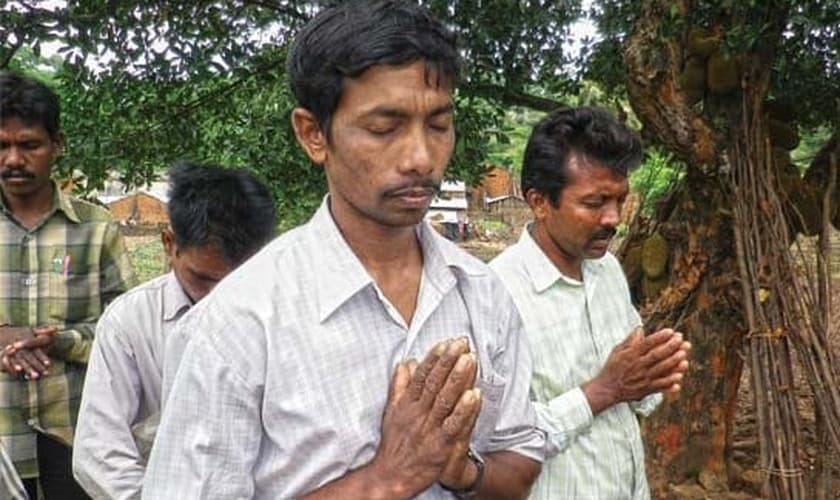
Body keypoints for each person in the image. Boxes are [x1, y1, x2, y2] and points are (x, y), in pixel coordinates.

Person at [143, 1, 547, 498]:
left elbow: (521, 462)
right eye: (384, 128)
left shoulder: (483, 295)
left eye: (439, 125)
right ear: (313, 134)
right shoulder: (239, 323)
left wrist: (462, 471)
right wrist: (387, 478)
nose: (421, 158)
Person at [490, 106, 692, 499]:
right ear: (540, 202)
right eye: (595, 202)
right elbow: (496, 445)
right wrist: (603, 390)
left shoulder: (609, 272)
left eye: (620, 200)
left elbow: (636, 396)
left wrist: (652, 375)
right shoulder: (497, 295)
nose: (613, 219)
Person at [72, 162, 277, 500]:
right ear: (169, 244)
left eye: (237, 282)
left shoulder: (285, 316)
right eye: (204, 280)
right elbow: (100, 451)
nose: (218, 300)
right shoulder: (129, 322)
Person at [0, 71, 136, 499]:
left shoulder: (96, 230)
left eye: (29, 145)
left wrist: (62, 341)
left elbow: (132, 341)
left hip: (77, 439)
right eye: (1, 145)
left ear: (56, 145)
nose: (13, 160)